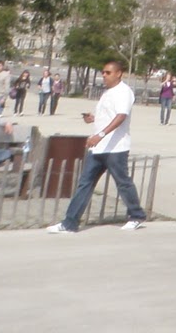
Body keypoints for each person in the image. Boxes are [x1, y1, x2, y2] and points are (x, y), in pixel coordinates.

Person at [45, 59, 148, 232]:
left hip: (115, 147)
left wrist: (100, 135)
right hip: (98, 148)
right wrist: (92, 118)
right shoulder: (107, 93)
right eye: (103, 72)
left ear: (118, 73)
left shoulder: (124, 92)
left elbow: (121, 116)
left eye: (108, 72)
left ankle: (136, 215)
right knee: (85, 183)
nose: (104, 75)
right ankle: (70, 223)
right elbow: (108, 115)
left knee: (123, 182)